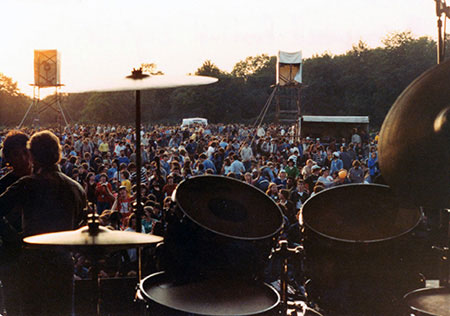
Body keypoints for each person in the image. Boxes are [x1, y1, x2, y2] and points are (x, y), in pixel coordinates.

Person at [0, 130, 86, 316]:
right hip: (63, 262)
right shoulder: (76, 188)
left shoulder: (26, 184)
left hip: (33, 263)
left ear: (32, 155)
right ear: (58, 153)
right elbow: (78, 222)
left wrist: (14, 238)